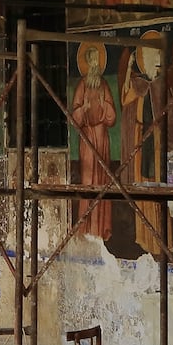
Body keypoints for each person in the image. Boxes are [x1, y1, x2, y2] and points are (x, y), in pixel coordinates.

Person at [68, 40, 118, 239]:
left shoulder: (104, 85)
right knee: (89, 180)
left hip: (102, 137)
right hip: (88, 137)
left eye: (98, 60)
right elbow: (75, 117)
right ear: (88, 63)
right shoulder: (82, 85)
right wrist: (85, 108)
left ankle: (100, 227)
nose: (95, 64)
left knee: (102, 180)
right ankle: (85, 227)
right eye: (93, 60)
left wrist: (104, 108)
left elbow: (112, 116)